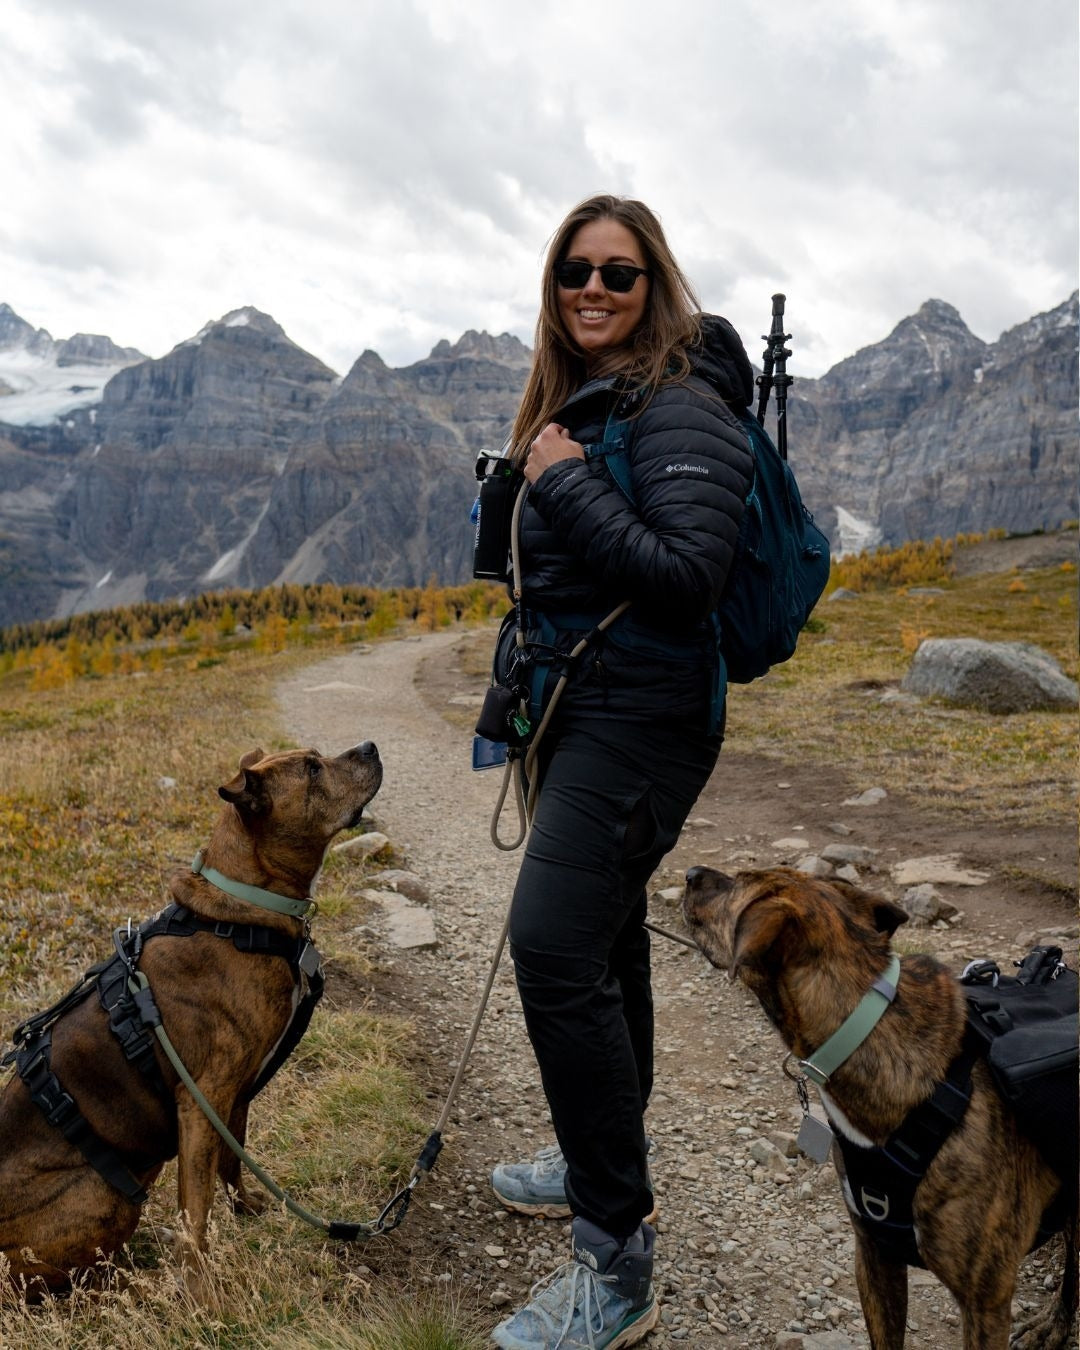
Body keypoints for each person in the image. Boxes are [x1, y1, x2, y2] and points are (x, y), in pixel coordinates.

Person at [487, 193, 756, 1350]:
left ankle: (617, 1261)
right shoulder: (584, 401)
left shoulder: (679, 402)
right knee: (596, 940)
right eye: (573, 274)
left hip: (640, 722)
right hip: (576, 710)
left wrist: (559, 484)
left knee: (551, 943)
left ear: (657, 287)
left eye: (619, 274)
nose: (592, 291)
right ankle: (605, 1146)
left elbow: (690, 571)